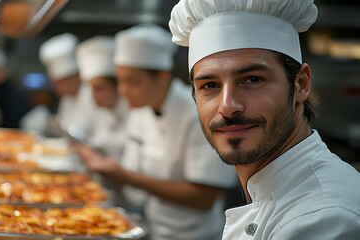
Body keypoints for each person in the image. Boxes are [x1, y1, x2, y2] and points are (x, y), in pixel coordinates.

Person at [169, 0, 360, 239]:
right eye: (209, 85)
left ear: (301, 84)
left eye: (252, 79)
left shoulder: (324, 218)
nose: (228, 107)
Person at [76, 24, 237, 240]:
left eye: (133, 82)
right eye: (120, 80)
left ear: (162, 77)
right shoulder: (140, 111)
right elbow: (133, 177)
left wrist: (125, 176)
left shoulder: (195, 113)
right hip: (152, 228)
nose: (123, 91)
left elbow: (204, 197)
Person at [76, 36, 129, 159]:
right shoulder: (102, 111)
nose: (93, 96)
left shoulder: (134, 110)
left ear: (116, 86)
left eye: (99, 88)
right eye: (91, 89)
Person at [39, 33, 97, 139]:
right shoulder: (66, 99)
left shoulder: (94, 95)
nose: (56, 87)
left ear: (75, 75)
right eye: (55, 82)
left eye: (61, 82)